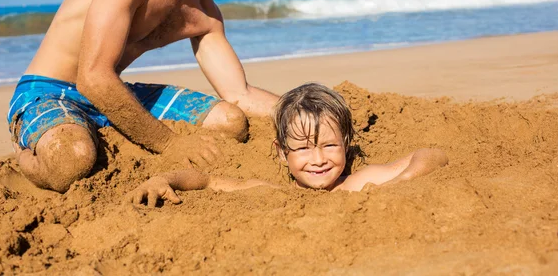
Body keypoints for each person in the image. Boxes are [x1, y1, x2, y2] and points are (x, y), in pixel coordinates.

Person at [7, 0, 280, 193]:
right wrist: (170, 143)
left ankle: (97, 129)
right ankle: (25, 153)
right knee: (72, 161)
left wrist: (306, 113)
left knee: (230, 121)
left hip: (113, 94)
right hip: (50, 90)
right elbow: (93, 77)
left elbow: (239, 94)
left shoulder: (204, 12)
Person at [128, 83, 448, 207]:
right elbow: (209, 180)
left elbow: (430, 155)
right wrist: (164, 180)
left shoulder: (360, 183)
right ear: (282, 153)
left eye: (330, 145)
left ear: (347, 144)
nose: (319, 158)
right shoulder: (272, 192)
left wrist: (401, 182)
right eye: (304, 148)